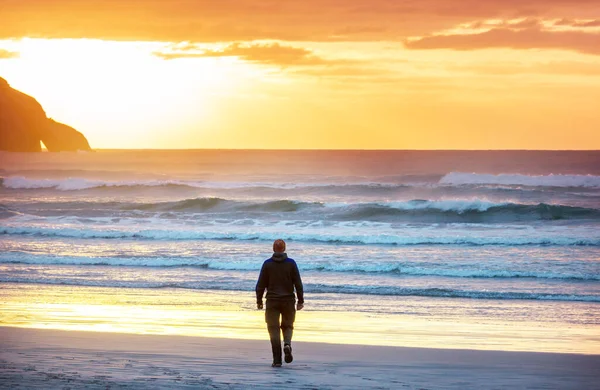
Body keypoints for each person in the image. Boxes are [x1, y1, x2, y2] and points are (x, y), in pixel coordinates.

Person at [256, 239, 304, 367]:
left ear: (273, 249)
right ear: (284, 249)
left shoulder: (267, 264)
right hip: (288, 300)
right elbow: (298, 283)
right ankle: (287, 343)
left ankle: (277, 360)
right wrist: (300, 301)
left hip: (272, 301)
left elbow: (260, 284)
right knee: (288, 326)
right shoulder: (291, 263)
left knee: (273, 329)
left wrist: (259, 301)